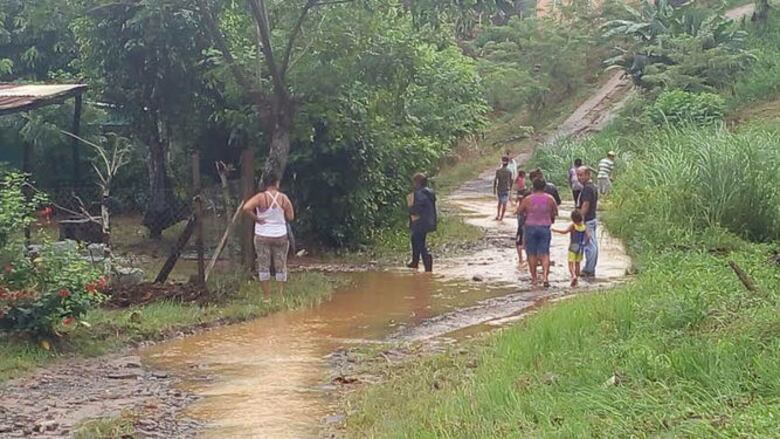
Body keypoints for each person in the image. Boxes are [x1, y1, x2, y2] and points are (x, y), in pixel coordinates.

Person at [243, 173, 295, 299]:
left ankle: (266, 297)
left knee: (263, 265)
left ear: (265, 184)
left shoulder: (260, 197)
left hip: (262, 235)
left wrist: (257, 219)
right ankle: (280, 295)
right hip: (280, 235)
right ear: (277, 183)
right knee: (280, 264)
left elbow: (246, 208)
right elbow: (291, 217)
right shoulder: (283, 198)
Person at [518, 178, 558, 288]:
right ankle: (545, 277)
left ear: (533, 187)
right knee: (545, 253)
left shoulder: (527, 199)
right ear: (544, 187)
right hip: (545, 227)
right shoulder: (550, 199)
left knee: (531, 254)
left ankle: (534, 279)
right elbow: (555, 212)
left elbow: (519, 211)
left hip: (530, 227)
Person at [407, 173, 437, 272]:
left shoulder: (419, 194)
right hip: (429, 221)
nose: (413, 185)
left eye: (414, 182)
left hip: (420, 222)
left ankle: (427, 265)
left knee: (419, 242)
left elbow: (417, 209)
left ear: (418, 183)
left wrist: (410, 209)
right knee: (416, 239)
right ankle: (415, 262)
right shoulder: (429, 193)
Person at [553, 209, 591, 287]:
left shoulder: (573, 226)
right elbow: (589, 236)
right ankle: (577, 278)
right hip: (581, 247)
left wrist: (554, 230)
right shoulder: (584, 226)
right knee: (577, 263)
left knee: (570, 263)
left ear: (573, 219)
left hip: (573, 246)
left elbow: (564, 232)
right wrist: (585, 243)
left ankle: (573, 276)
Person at [577, 166, 599, 278]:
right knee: (593, 244)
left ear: (588, 175)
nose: (579, 177)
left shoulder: (587, 189)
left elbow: (585, 205)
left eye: (581, 175)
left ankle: (588, 269)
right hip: (593, 218)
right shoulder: (592, 187)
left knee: (589, 245)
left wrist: (580, 219)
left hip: (588, 220)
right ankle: (591, 268)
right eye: (578, 175)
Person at [514, 188, 530, 267]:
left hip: (522, 227)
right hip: (528, 227)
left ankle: (521, 260)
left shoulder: (522, 205)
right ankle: (525, 260)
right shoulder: (531, 205)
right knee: (526, 244)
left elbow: (517, 212)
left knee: (520, 243)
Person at [493, 157, 513, 221]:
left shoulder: (498, 171)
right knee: (504, 204)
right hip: (506, 189)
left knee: (499, 202)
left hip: (499, 188)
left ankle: (498, 215)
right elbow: (511, 180)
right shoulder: (509, 171)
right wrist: (511, 189)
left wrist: (494, 188)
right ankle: (501, 217)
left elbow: (495, 180)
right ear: (507, 164)